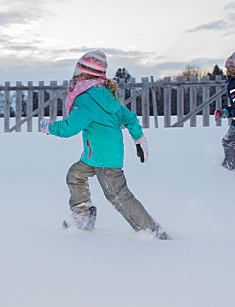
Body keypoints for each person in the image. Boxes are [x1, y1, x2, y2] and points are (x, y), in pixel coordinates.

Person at [39, 50, 170, 240]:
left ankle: (153, 232)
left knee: (118, 196)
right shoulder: (109, 97)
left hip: (104, 160)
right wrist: (139, 139)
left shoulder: (85, 100)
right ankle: (83, 214)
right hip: (96, 156)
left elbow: (68, 128)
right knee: (75, 175)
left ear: (83, 75)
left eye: (76, 74)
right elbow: (130, 118)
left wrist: (47, 126)